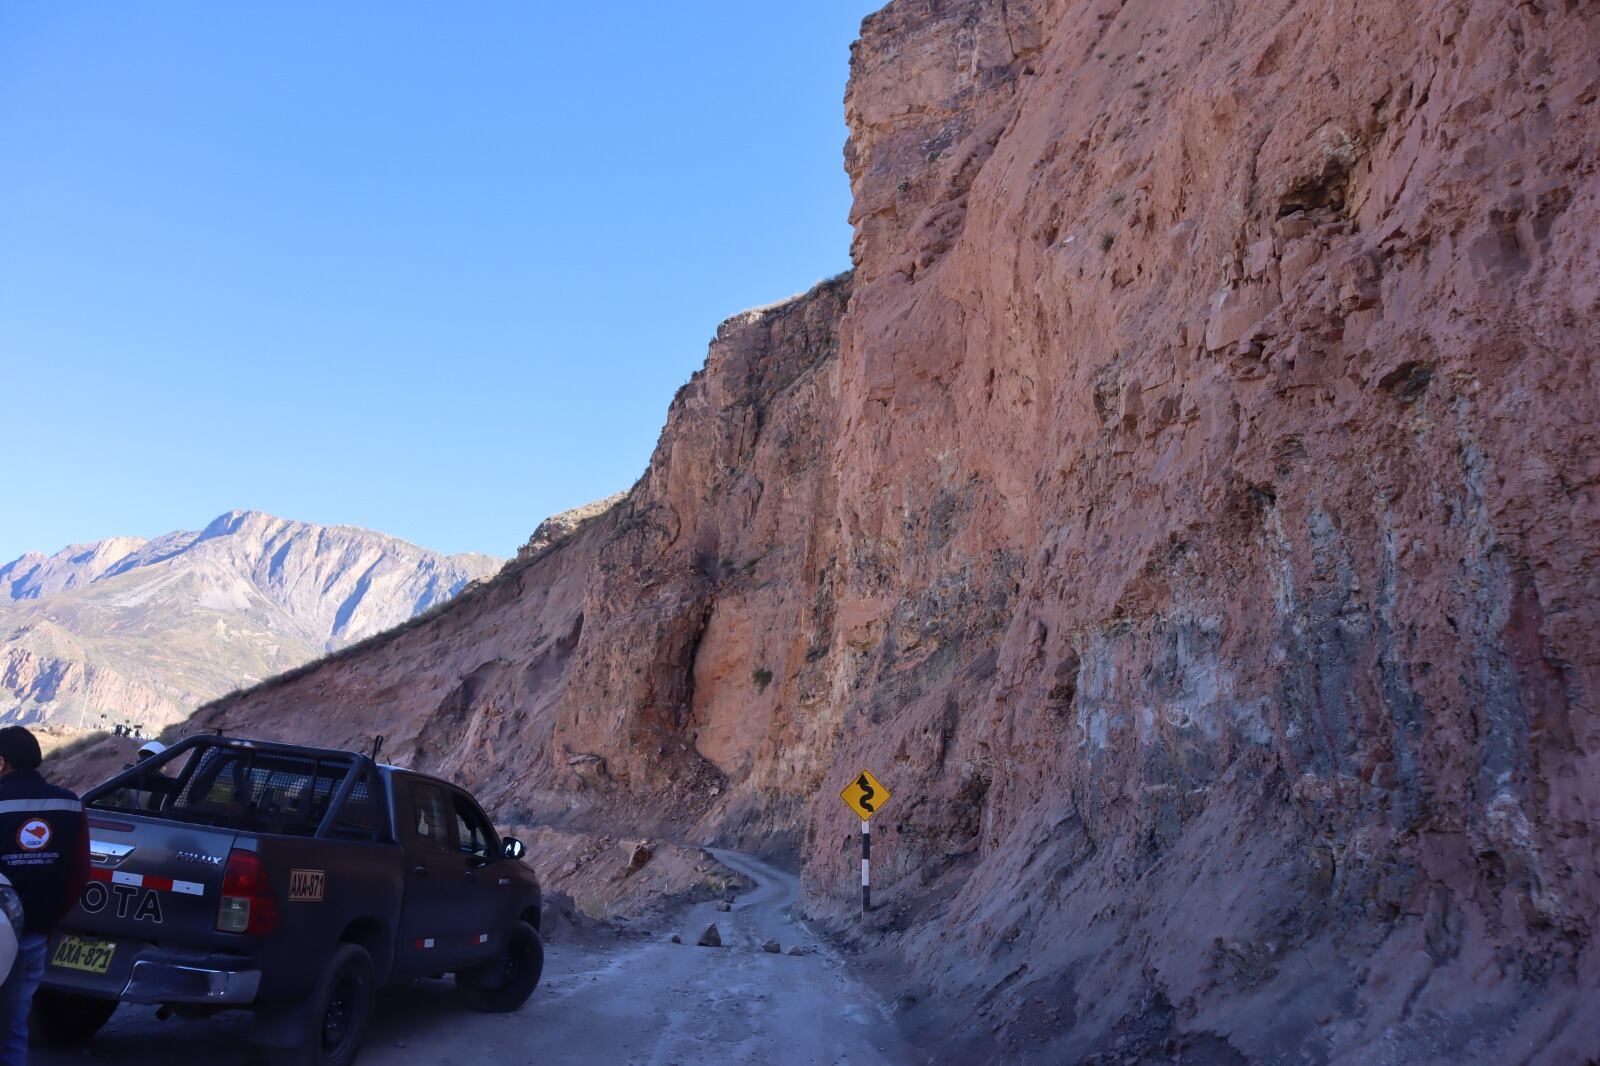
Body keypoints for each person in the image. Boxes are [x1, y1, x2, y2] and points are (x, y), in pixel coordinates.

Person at [0, 727, 89, 1065]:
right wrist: (51, 920)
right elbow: (80, 873)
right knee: (15, 1023)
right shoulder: (68, 804)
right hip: (35, 933)